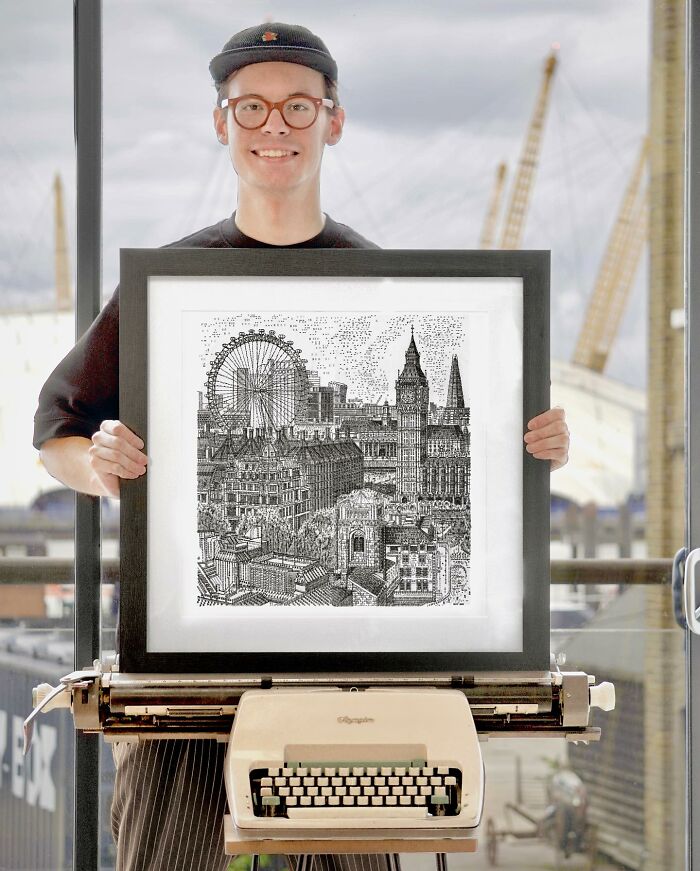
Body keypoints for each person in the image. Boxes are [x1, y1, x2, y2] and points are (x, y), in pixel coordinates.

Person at [33, 21, 569, 871]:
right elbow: (55, 433)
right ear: (222, 123)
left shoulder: (382, 280)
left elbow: (475, 457)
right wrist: (99, 468)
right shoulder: (165, 283)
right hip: (186, 682)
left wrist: (533, 445)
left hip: (349, 688)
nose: (273, 125)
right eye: (251, 106)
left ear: (333, 120)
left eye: (296, 106)